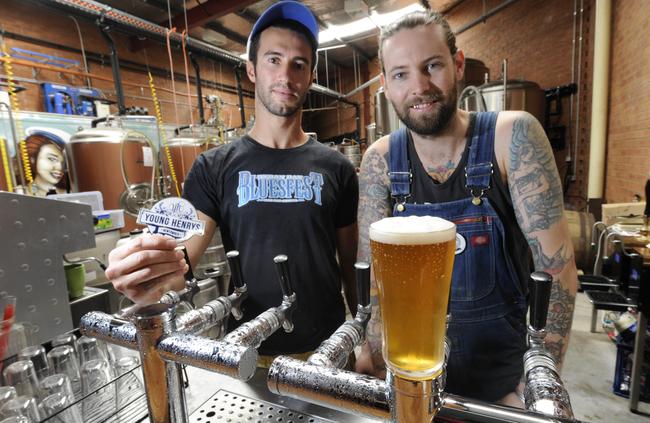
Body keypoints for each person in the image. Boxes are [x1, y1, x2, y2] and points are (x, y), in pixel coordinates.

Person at [105, 1, 359, 361]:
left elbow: (350, 267)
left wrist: (364, 340)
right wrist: (147, 273)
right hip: (247, 354)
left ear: (311, 75)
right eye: (273, 59)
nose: (286, 76)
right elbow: (181, 265)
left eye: (298, 64)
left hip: (327, 351)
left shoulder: (337, 168)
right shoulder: (214, 167)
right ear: (252, 69)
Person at [355, 10, 577, 406]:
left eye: (432, 66)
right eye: (401, 74)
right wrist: (376, 360)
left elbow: (557, 272)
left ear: (458, 66)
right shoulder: (380, 160)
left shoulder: (513, 137)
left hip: (502, 386)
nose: (420, 86)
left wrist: (533, 388)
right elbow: (374, 278)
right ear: (387, 86)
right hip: (414, 383)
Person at [23, 132, 68, 196]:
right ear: (32, 159)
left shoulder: (67, 193)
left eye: (63, 162)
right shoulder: (20, 192)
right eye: (52, 159)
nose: (60, 167)